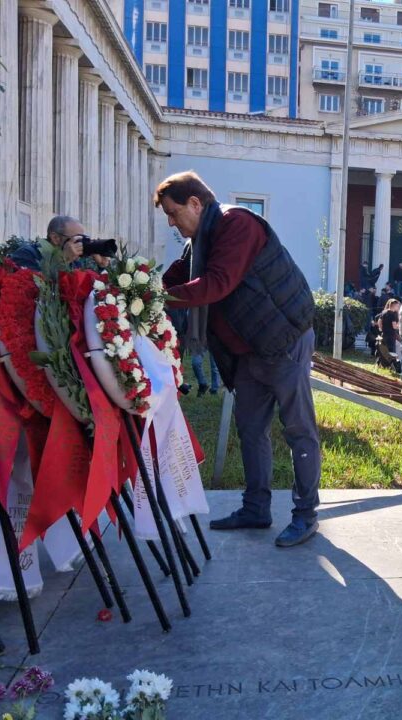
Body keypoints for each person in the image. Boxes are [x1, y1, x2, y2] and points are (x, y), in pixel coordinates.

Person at [154, 170, 320, 548]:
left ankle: (306, 513)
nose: (172, 223)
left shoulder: (237, 224)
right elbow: (176, 276)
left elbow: (216, 284)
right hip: (249, 352)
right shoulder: (201, 240)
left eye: (173, 212)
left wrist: (156, 300)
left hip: (283, 341)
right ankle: (256, 509)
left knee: (298, 430)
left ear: (196, 203)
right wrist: (138, 289)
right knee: (250, 431)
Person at [10, 215, 111, 271]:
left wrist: (102, 266)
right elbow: (35, 288)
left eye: (84, 239)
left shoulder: (75, 262)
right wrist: (63, 261)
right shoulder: (28, 254)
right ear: (55, 238)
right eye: (77, 239)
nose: (81, 244)